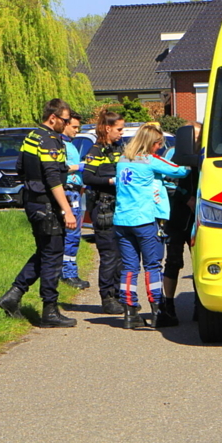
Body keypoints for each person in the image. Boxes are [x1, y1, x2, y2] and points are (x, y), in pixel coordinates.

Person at [0, 99, 78, 327]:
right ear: (53, 118)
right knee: (53, 256)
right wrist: (67, 210)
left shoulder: (31, 136)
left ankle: (12, 296)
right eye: (65, 120)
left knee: (44, 252)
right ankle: (49, 311)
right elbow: (53, 179)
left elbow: (20, 167)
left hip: (32, 201)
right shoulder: (50, 141)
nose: (67, 123)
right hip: (47, 205)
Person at [113, 122, 189, 329]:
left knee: (129, 267)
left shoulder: (122, 160)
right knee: (152, 266)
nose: (159, 148)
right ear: (151, 143)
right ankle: (157, 311)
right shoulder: (150, 160)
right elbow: (180, 171)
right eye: (158, 144)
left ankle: (129, 312)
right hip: (144, 220)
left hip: (121, 220)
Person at [158, 121, 202, 327]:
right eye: (194, 136)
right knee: (173, 262)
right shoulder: (172, 153)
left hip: (198, 219)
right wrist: (185, 198)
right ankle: (168, 305)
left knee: (199, 263)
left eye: (199, 136)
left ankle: (200, 305)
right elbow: (165, 182)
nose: (196, 140)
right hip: (177, 217)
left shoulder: (205, 153)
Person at [82, 111, 126, 314]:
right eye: (119, 129)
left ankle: (119, 295)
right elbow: (88, 178)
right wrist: (110, 181)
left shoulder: (119, 148)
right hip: (104, 207)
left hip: (121, 207)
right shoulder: (96, 150)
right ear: (107, 128)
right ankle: (107, 298)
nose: (121, 133)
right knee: (109, 255)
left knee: (121, 255)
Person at [61, 114, 90, 289]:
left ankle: (69, 271)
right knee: (71, 234)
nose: (77, 131)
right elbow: (63, 167)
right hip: (68, 191)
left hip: (75, 191)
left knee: (73, 235)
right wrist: (82, 166)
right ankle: (68, 274)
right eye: (74, 127)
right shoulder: (61, 145)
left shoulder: (70, 145)